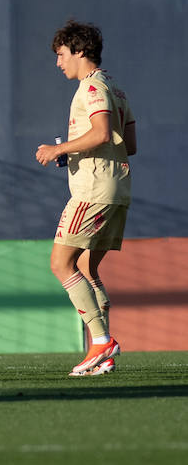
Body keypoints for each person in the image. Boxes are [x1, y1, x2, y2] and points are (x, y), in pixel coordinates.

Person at [35, 20, 135, 377]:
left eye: (62, 54)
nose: (59, 62)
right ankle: (102, 353)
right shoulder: (114, 87)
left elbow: (101, 132)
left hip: (93, 190)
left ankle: (101, 341)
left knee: (60, 264)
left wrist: (58, 148)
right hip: (116, 189)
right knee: (86, 268)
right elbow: (129, 144)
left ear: (80, 51)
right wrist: (73, 154)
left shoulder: (91, 88)